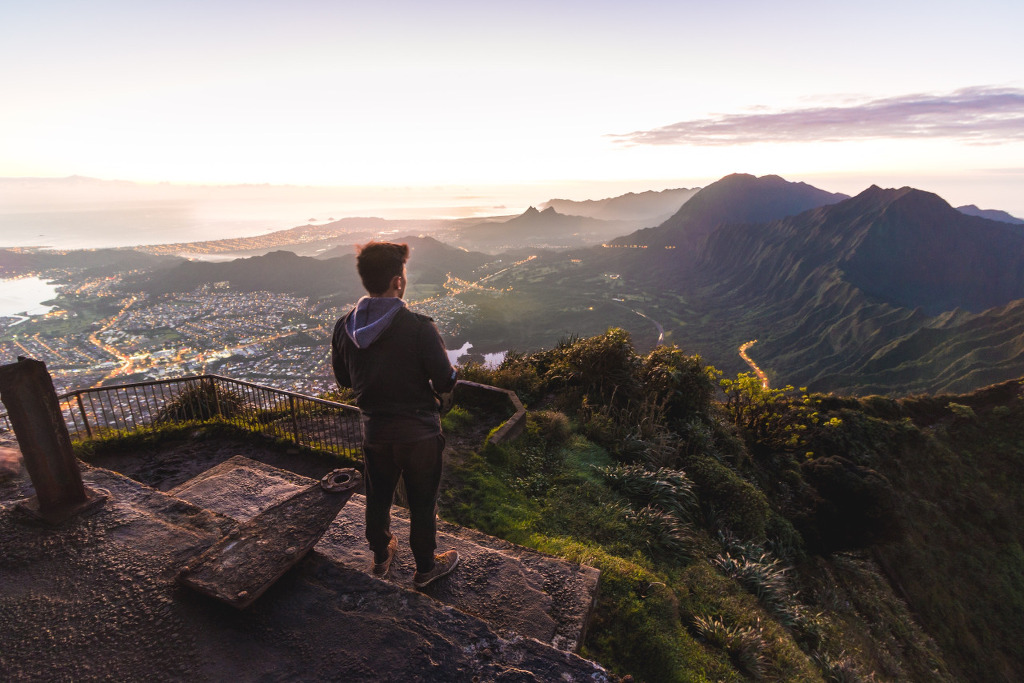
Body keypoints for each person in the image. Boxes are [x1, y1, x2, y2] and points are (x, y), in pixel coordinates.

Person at [331, 241, 459, 589]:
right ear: (398, 281)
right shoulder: (418, 327)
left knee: (379, 495)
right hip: (419, 433)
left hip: (375, 431)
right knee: (422, 501)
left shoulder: (344, 327)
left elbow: (344, 379)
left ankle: (380, 555)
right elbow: (445, 378)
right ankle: (425, 568)